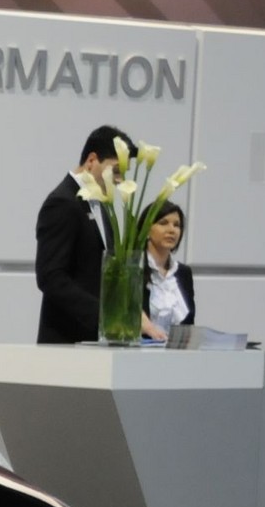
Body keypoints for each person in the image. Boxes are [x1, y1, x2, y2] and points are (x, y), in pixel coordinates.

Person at [35, 125, 130, 344]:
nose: (119, 181)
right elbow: (50, 277)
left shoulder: (102, 205)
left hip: (96, 343)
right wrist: (103, 316)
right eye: (115, 171)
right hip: (67, 341)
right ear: (91, 160)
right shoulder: (62, 203)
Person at [140, 199, 195, 342]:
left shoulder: (183, 273)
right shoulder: (133, 268)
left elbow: (189, 325)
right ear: (146, 229)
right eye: (163, 223)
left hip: (175, 356)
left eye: (177, 225)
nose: (172, 230)